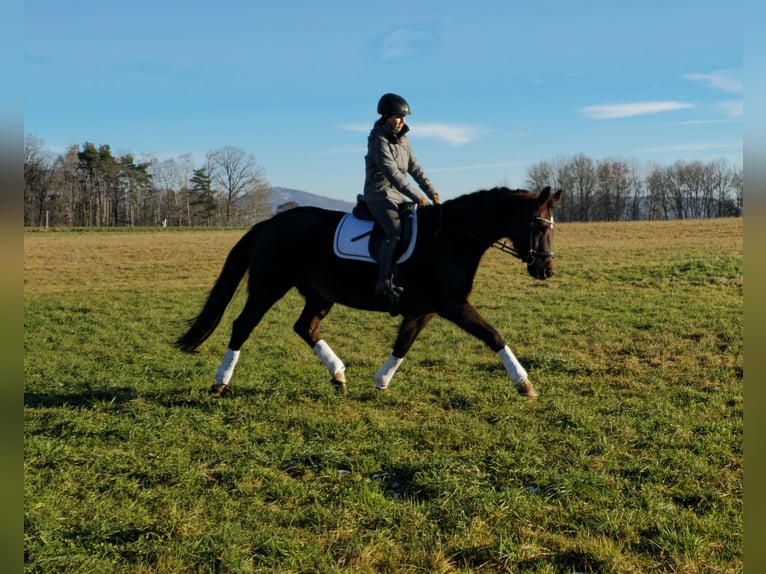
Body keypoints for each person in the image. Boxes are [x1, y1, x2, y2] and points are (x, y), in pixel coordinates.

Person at [363, 93, 440, 306]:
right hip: (379, 194)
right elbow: (393, 175)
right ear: (386, 116)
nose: (402, 122)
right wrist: (418, 197)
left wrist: (432, 193)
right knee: (394, 232)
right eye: (398, 117)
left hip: (399, 197)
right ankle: (383, 282)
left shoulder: (404, 140)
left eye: (404, 118)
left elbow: (415, 168)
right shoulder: (378, 140)